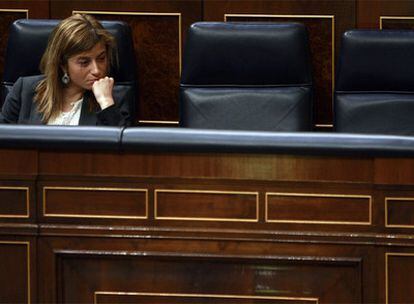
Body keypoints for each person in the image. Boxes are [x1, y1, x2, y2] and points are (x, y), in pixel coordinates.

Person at [0, 14, 131, 126]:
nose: (96, 70)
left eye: (101, 58)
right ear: (62, 64)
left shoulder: (114, 99)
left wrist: (106, 102)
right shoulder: (24, 91)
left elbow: (123, 152)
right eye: (84, 62)